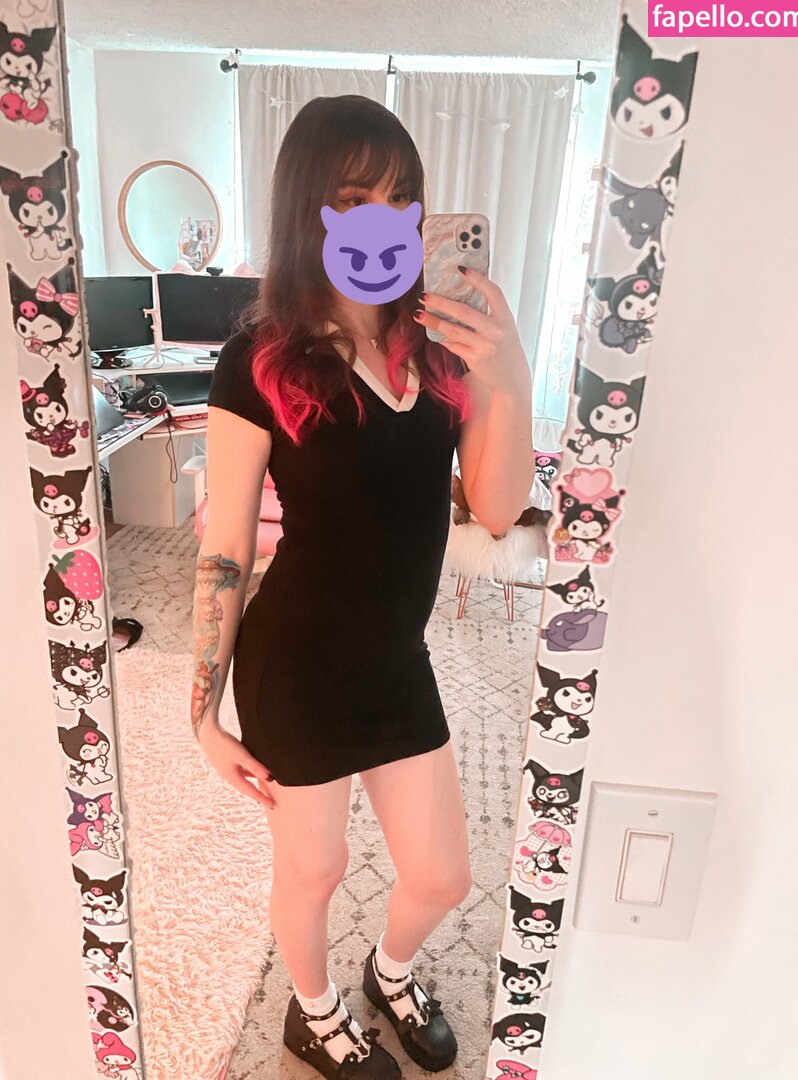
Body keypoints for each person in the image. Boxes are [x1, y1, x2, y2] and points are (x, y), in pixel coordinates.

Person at [190, 94, 534, 1079]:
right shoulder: (258, 361)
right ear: (312, 212)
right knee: (316, 867)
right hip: (296, 662)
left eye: (400, 199)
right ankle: (312, 1011)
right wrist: (202, 712)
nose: (382, 221)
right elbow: (226, 547)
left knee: (441, 875)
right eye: (354, 199)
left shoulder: (443, 355)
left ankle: (390, 971)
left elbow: (499, 508)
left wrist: (507, 372)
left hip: (395, 662)